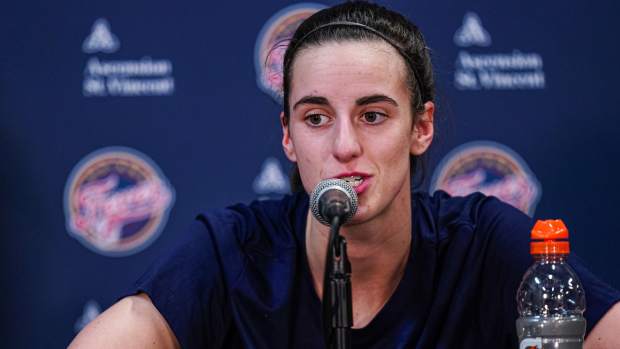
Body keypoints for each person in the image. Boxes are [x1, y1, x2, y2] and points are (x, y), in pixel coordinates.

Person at [69, 2, 620, 348]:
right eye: (315, 118)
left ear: (421, 128)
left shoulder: (483, 244)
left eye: (373, 115)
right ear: (288, 136)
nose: (344, 146)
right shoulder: (231, 251)